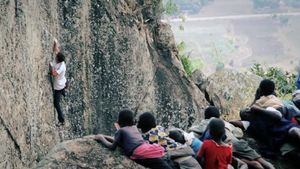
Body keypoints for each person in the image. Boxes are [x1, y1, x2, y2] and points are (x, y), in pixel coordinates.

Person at [191, 106, 274, 169]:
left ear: (206, 116)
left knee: (238, 160)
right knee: (260, 159)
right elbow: (239, 133)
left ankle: (253, 164)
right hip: (237, 142)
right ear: (218, 115)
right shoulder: (224, 123)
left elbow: (192, 131)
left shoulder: (205, 123)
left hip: (224, 146)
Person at [86, 110, 172, 169]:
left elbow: (112, 147)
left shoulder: (121, 130)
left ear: (120, 121)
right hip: (146, 147)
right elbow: (120, 142)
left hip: (139, 151)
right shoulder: (134, 128)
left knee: (158, 164)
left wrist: (101, 138)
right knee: (161, 163)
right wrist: (105, 136)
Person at [137, 112, 202, 169]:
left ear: (143, 126)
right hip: (185, 153)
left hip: (181, 160)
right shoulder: (159, 128)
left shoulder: (148, 137)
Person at [50, 39, 67, 126]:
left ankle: (62, 120)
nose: (55, 58)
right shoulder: (59, 58)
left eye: (56, 58)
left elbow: (53, 74)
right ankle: (64, 91)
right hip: (62, 82)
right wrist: (55, 42)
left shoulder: (61, 67)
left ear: (59, 61)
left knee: (56, 104)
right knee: (63, 85)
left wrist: (52, 66)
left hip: (59, 87)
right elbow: (56, 50)